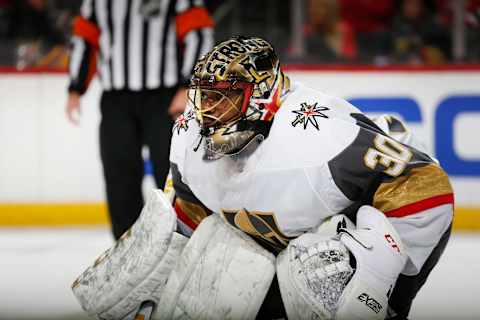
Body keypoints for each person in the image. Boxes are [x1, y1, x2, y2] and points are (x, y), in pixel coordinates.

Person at [71, 36, 454, 320]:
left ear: (263, 94)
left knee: (314, 279)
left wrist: (384, 293)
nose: (209, 113)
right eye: (205, 96)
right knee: (213, 285)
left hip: (329, 242)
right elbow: (188, 215)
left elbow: (428, 190)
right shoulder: (188, 134)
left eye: (225, 97)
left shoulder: (320, 138)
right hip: (280, 247)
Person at [65, 0, 214, 239]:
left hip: (165, 97)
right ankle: (127, 247)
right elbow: (85, 39)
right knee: (119, 175)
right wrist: (76, 87)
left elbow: (199, 34)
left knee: (174, 175)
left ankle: (183, 243)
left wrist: (189, 85)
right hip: (116, 99)